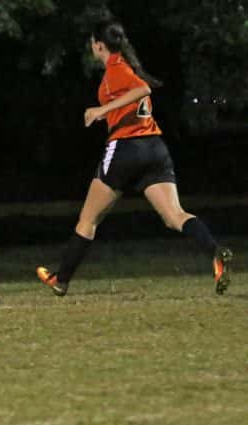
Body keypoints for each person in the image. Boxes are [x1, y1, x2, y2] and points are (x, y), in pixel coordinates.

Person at [36, 20, 232, 297]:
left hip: (126, 149)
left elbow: (143, 89)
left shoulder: (117, 68)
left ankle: (61, 280)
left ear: (98, 45)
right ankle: (214, 252)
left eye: (92, 42)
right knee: (175, 216)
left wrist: (101, 110)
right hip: (154, 148)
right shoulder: (121, 67)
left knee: (88, 219)